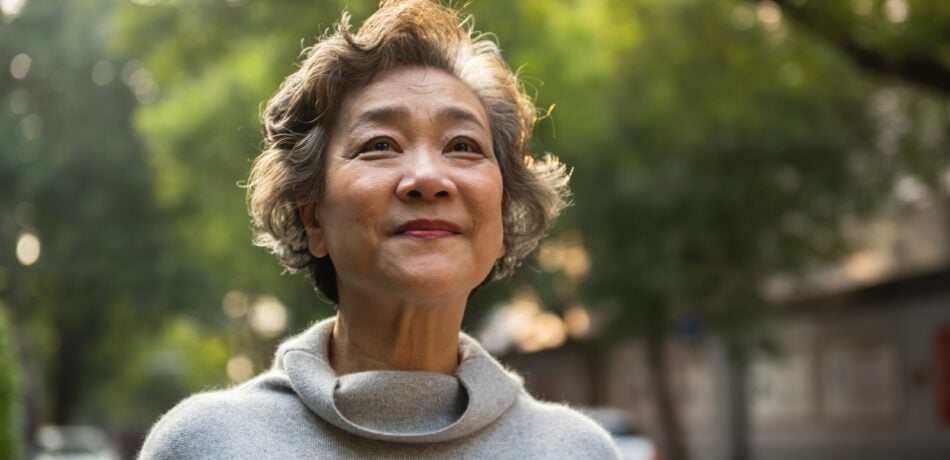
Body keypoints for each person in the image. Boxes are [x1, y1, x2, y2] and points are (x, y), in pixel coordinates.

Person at [138, 0, 620, 458]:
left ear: (502, 217)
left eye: (463, 145)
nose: (429, 178)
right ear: (313, 217)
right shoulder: (204, 445)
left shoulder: (577, 451)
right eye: (380, 144)